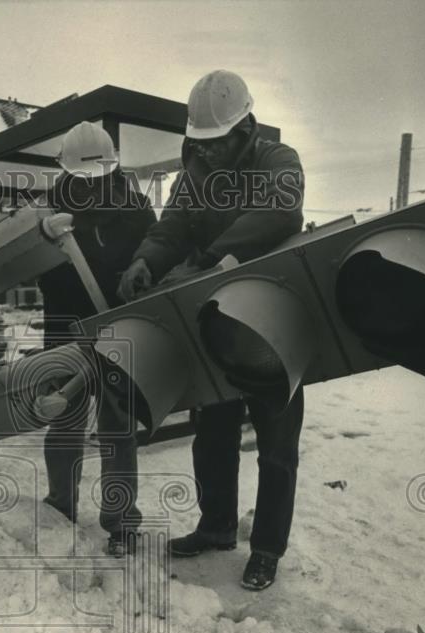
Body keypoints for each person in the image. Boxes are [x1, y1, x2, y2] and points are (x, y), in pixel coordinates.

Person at [117, 70, 306, 589]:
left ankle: (266, 548)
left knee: (276, 446)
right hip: (215, 330)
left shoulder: (278, 163)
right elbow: (172, 226)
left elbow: (281, 211)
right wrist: (145, 262)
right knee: (213, 436)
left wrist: (212, 258)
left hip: (272, 333)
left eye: (218, 141)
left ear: (245, 128)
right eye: (202, 142)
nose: (211, 151)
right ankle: (217, 526)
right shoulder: (195, 175)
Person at [38, 121, 157, 557]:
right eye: (80, 180)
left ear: (113, 170)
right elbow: (26, 267)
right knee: (65, 424)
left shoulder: (138, 210)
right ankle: (60, 508)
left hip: (117, 331)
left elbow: (154, 262)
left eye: (97, 180)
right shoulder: (47, 210)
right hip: (65, 331)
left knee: (117, 428)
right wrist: (41, 243)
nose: (89, 188)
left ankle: (122, 522)